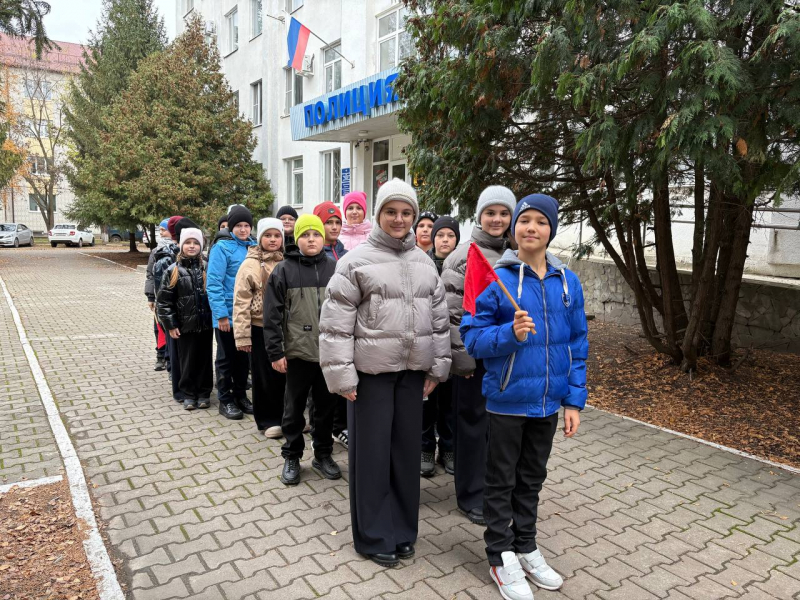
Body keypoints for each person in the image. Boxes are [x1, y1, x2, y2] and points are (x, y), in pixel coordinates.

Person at [461, 194, 587, 600]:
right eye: (524, 220)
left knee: (531, 479)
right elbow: (473, 339)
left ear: (551, 230)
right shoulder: (498, 280)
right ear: (514, 228)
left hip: (549, 402)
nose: (531, 228)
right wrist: (508, 335)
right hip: (507, 400)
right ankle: (500, 554)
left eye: (541, 222)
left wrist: (573, 400)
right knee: (500, 481)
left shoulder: (568, 282)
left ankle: (526, 545)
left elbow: (577, 343)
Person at [320, 179, 451, 567]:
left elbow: (440, 320)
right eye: (391, 211)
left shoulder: (424, 262)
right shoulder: (355, 261)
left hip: (412, 375)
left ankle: (403, 530)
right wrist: (342, 376)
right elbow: (335, 325)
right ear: (378, 214)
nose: (399, 219)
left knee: (405, 455)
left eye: (406, 212)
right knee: (373, 456)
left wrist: (439, 366)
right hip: (370, 376)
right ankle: (375, 535)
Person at [442, 185, 516, 525]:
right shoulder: (463, 256)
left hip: (508, 357)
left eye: (504, 213)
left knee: (500, 429)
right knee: (472, 427)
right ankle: (470, 495)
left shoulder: (518, 253)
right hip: (475, 358)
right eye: (491, 213)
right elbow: (451, 314)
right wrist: (464, 361)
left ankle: (496, 490)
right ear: (479, 216)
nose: (497, 219)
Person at [264, 214, 341, 485]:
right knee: (294, 408)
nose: (311, 239)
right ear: (296, 239)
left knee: (325, 408)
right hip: (296, 353)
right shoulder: (283, 270)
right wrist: (275, 351)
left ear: (324, 238)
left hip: (329, 354)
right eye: (305, 235)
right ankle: (292, 455)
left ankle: (322, 454)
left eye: (316, 234)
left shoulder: (335, 268)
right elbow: (271, 315)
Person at [233, 218, 286, 438]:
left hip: (284, 328)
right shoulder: (250, 264)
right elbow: (241, 301)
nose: (272, 240)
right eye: (268, 235)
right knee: (264, 376)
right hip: (259, 327)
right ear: (260, 238)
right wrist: (243, 336)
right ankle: (268, 420)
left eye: (276, 236)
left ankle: (288, 417)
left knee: (285, 375)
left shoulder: (287, 261)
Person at [156, 227, 214, 410]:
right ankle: (188, 393)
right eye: (188, 242)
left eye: (196, 243)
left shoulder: (207, 268)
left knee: (204, 360)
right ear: (181, 245)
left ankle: (204, 392)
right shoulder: (173, 271)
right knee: (186, 361)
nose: (192, 246)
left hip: (205, 325)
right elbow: (164, 302)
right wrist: (170, 325)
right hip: (184, 326)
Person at [421, 215, 460, 477]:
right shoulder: (422, 264)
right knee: (426, 401)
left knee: (450, 403)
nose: (445, 240)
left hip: (453, 345)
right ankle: (424, 448)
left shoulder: (461, 265)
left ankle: (448, 448)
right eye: (440, 235)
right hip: (427, 344)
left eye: (450, 236)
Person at [208, 205, 255, 420]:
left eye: (247, 225)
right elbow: (214, 283)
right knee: (226, 358)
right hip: (228, 314)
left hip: (248, 315)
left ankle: (240, 396)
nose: (243, 229)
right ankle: (225, 400)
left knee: (243, 359)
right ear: (232, 227)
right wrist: (221, 315)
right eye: (239, 225)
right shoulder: (222, 248)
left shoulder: (254, 247)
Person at [313, 200, 349, 448]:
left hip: (342, 325)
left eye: (338, 222)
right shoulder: (316, 255)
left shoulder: (344, 254)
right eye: (329, 222)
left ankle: (340, 427)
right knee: (321, 384)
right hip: (317, 326)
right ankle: (321, 432)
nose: (334, 227)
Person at [153, 216, 184, 401]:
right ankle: (168, 364)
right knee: (168, 339)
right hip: (170, 310)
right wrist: (152, 296)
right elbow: (153, 277)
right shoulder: (162, 255)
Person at [145, 218, 172, 372]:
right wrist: (150, 296)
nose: (161, 233)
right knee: (158, 327)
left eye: (164, 230)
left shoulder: (179, 248)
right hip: (158, 295)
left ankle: (169, 356)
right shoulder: (155, 252)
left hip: (172, 297)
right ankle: (160, 355)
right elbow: (150, 274)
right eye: (160, 230)